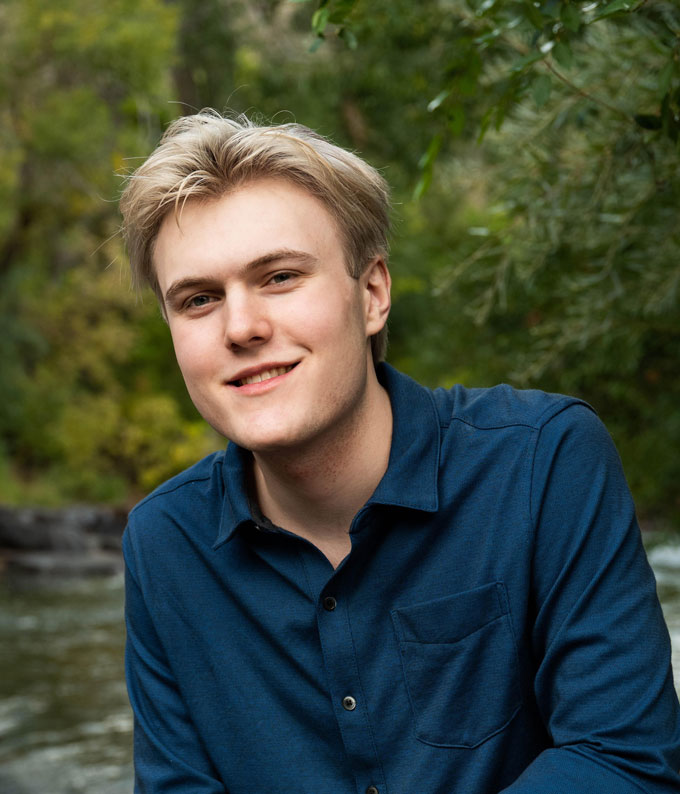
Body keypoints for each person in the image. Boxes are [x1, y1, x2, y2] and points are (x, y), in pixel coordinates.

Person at [119, 110, 680, 794]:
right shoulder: (163, 544)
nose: (241, 326)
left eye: (280, 277)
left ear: (373, 293)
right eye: (199, 299)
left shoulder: (545, 462)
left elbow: (623, 761)